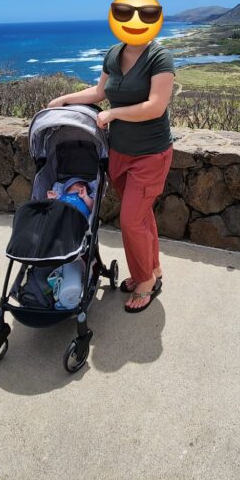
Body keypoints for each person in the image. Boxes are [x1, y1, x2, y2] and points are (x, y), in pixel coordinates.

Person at [47, 37, 175, 313]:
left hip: (150, 154)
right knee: (141, 215)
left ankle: (146, 281)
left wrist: (113, 114)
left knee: (131, 221)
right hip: (120, 153)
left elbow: (156, 106)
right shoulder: (114, 54)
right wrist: (65, 99)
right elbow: (99, 91)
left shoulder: (159, 57)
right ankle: (152, 268)